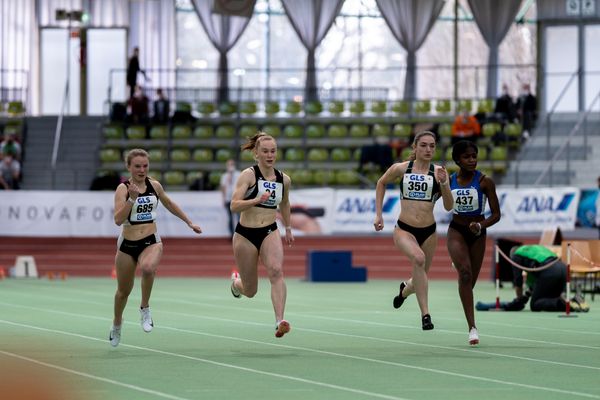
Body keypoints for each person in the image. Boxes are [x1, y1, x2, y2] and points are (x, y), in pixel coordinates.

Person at [109, 148, 202, 347]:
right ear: (129, 167)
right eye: (137, 166)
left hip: (151, 240)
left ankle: (145, 308)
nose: (142, 170)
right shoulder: (123, 189)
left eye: (145, 166)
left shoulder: (154, 185)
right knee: (122, 292)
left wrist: (189, 222)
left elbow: (169, 203)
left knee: (149, 267)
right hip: (127, 244)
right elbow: (118, 220)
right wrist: (132, 199)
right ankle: (117, 322)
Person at [374, 131, 453, 330]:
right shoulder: (401, 169)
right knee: (418, 259)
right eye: (424, 145)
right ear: (415, 147)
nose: (428, 149)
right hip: (404, 229)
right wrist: (378, 214)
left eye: (432, 146)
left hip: (429, 232)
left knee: (420, 276)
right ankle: (425, 315)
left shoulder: (439, 173)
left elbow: (449, 206)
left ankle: (404, 291)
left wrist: (444, 183)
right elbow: (381, 183)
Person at [229, 132, 294, 338]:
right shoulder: (248, 175)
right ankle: (236, 284)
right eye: (265, 151)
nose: (269, 155)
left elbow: (284, 203)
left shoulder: (284, 179)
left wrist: (289, 228)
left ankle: (279, 321)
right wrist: (255, 200)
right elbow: (234, 205)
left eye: (273, 151)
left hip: (269, 230)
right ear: (256, 153)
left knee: (276, 271)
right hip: (245, 234)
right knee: (251, 290)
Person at [446, 140, 501, 345]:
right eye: (467, 157)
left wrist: (481, 225)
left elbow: (496, 215)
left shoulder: (485, 182)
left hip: (478, 232)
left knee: (469, 282)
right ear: (457, 160)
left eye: (474, 156)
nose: (472, 160)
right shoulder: (449, 181)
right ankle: (472, 328)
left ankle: (459, 261)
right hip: (456, 230)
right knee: (466, 274)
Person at [219, 159, 241, 237]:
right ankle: (232, 235)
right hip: (229, 199)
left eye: (232, 164)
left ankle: (240, 234)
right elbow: (223, 188)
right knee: (230, 218)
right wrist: (224, 199)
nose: (230, 166)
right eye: (229, 165)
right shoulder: (224, 176)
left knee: (239, 218)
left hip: (238, 199)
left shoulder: (239, 174)